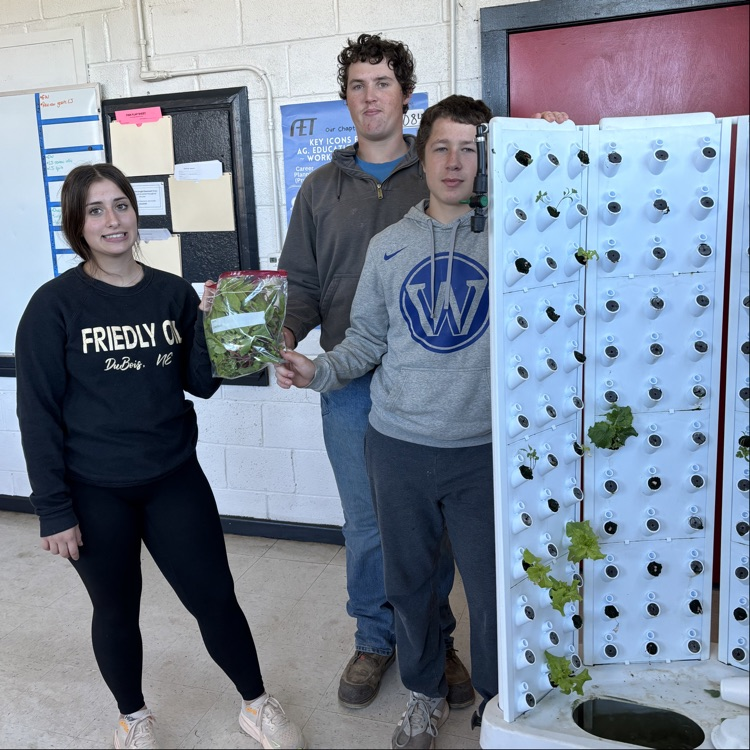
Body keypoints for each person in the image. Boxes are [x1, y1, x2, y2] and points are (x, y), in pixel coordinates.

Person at [275, 94, 568, 748]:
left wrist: (553, 147)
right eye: (442, 147)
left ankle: (497, 700)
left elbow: (572, 218)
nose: (456, 161)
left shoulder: (515, 231)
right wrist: (314, 369)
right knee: (409, 585)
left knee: (494, 590)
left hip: (482, 450)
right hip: (398, 447)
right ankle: (424, 693)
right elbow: (364, 343)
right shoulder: (389, 247)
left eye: (470, 148)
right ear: (421, 156)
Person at [14, 163, 305, 750]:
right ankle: (133, 717)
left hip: (173, 478)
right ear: (78, 223)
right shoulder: (54, 305)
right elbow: (36, 412)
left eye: (120, 205)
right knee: (117, 609)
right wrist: (53, 509)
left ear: (135, 212)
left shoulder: (172, 293)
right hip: (93, 489)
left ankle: (255, 703)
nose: (112, 219)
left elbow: (201, 382)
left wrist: (217, 328)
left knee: (215, 598)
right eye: (95, 210)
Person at [278, 32, 474, 712]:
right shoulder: (320, 189)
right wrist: (282, 337)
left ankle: (436, 637)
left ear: (406, 98)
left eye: (382, 84)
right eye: (358, 86)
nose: (370, 97)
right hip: (350, 384)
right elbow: (300, 284)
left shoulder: (441, 177)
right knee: (365, 523)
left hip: (432, 382)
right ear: (346, 100)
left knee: (433, 524)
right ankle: (375, 636)